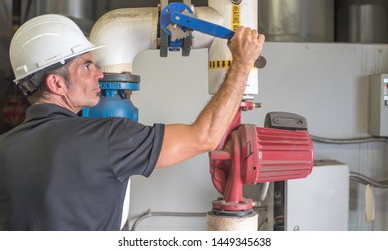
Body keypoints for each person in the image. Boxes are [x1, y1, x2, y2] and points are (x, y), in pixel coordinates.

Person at [0, 14, 265, 231]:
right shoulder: (104, 138)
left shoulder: (5, 147)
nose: (99, 73)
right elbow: (205, 137)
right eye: (86, 66)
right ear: (56, 83)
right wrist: (242, 63)